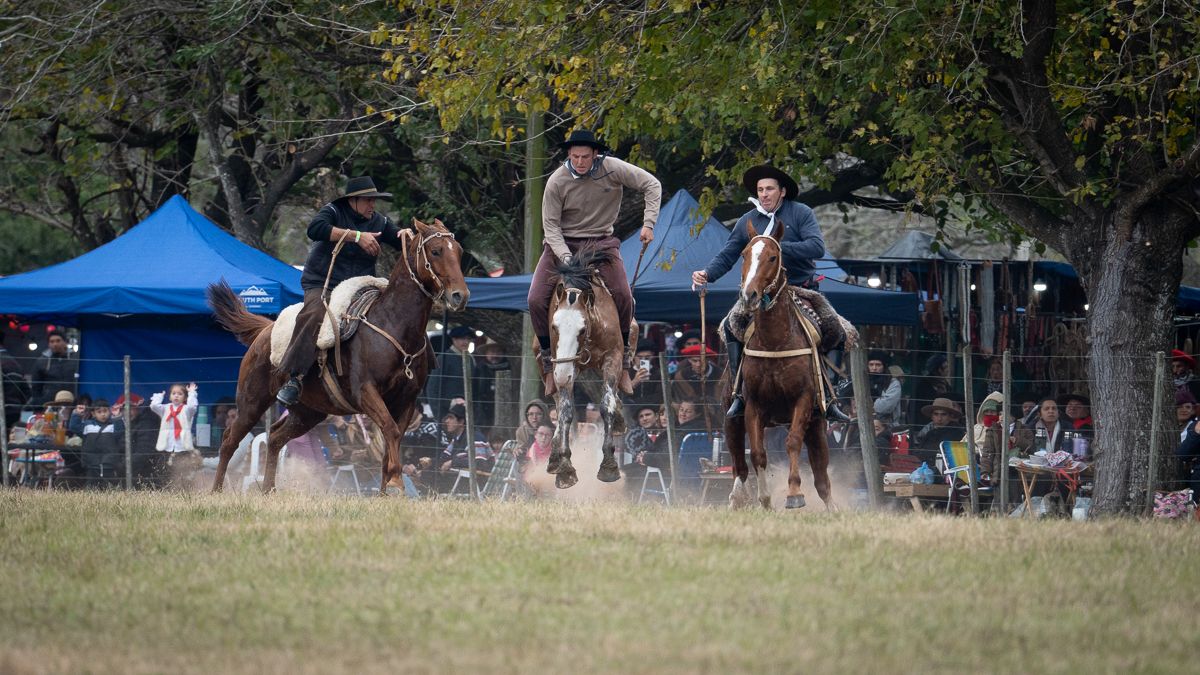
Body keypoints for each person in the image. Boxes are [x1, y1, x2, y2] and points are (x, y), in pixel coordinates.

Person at [691, 164, 849, 420]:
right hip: (759, 293)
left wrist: (775, 248)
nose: (764, 194)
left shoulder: (801, 213)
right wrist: (707, 273)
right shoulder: (748, 220)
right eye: (760, 190)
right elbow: (729, 253)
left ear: (782, 192)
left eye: (770, 189)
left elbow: (816, 247)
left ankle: (829, 399)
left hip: (800, 288)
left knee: (836, 329)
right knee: (731, 325)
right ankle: (739, 394)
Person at [528, 129, 662, 395]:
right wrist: (566, 257)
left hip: (602, 242)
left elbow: (652, 184)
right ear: (568, 154)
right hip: (562, 244)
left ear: (595, 154)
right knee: (534, 298)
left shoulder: (612, 169)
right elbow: (550, 227)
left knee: (624, 295)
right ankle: (547, 361)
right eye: (575, 156)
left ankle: (623, 363)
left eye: (585, 156)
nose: (580, 161)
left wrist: (649, 224)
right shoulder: (556, 181)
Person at [276, 176, 408, 406]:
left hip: (358, 286)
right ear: (352, 200)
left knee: (394, 315)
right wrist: (356, 236)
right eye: (367, 200)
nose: (372, 205)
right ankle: (294, 378)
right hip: (323, 283)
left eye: (374, 200)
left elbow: (397, 237)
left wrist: (406, 236)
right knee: (314, 314)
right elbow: (315, 229)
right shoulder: (333, 212)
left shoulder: (379, 221)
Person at [150, 382, 199, 465]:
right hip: (167, 443)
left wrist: (191, 393)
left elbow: (193, 407)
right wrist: (159, 397)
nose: (176, 396)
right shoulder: (165, 408)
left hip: (182, 444)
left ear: (184, 398)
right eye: (173, 393)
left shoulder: (186, 409)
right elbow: (154, 406)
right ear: (169, 397)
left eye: (180, 394)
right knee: (164, 464)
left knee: (181, 465)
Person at [79, 398, 121, 488]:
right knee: (91, 486)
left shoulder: (113, 425)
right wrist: (76, 414)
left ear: (109, 411)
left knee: (111, 487)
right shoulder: (87, 425)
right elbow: (74, 427)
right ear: (93, 414)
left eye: (105, 411)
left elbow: (121, 432)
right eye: (99, 412)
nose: (103, 414)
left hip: (109, 463)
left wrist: (117, 417)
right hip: (91, 463)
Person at [30, 330, 77, 407]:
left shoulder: (75, 359)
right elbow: (36, 387)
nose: (55, 344)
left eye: (58, 341)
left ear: (65, 342)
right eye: (52, 341)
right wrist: (37, 406)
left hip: (71, 402)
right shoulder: (41, 361)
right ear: (48, 344)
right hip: (49, 403)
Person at [912, 397, 966, 462]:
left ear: (950, 416)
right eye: (936, 414)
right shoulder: (930, 433)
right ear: (932, 416)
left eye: (943, 414)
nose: (939, 418)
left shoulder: (956, 432)